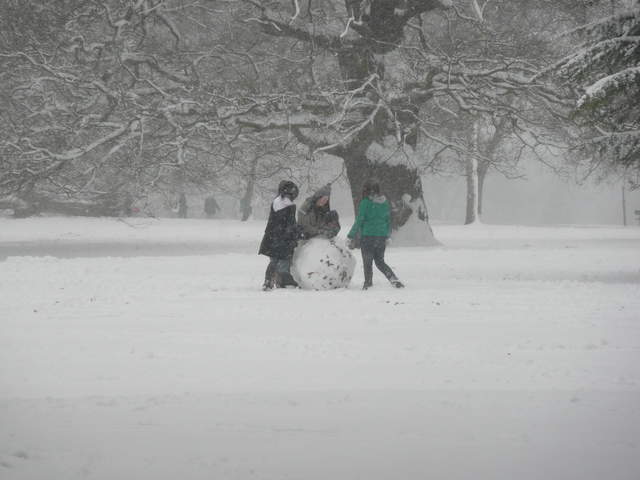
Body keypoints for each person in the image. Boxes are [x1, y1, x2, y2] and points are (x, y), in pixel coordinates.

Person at [347, 180, 404, 290]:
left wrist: (350, 235)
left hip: (368, 236)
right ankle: (394, 279)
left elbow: (359, 220)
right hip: (381, 237)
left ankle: (368, 284)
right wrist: (387, 235)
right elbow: (388, 220)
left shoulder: (365, 202)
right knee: (380, 261)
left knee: (367, 261)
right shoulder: (384, 202)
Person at [258, 180, 302, 290]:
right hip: (282, 238)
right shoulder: (287, 203)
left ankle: (269, 281)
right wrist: (296, 232)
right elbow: (289, 223)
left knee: (274, 261)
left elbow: (280, 222)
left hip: (273, 237)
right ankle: (283, 281)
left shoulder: (277, 201)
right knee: (283, 261)